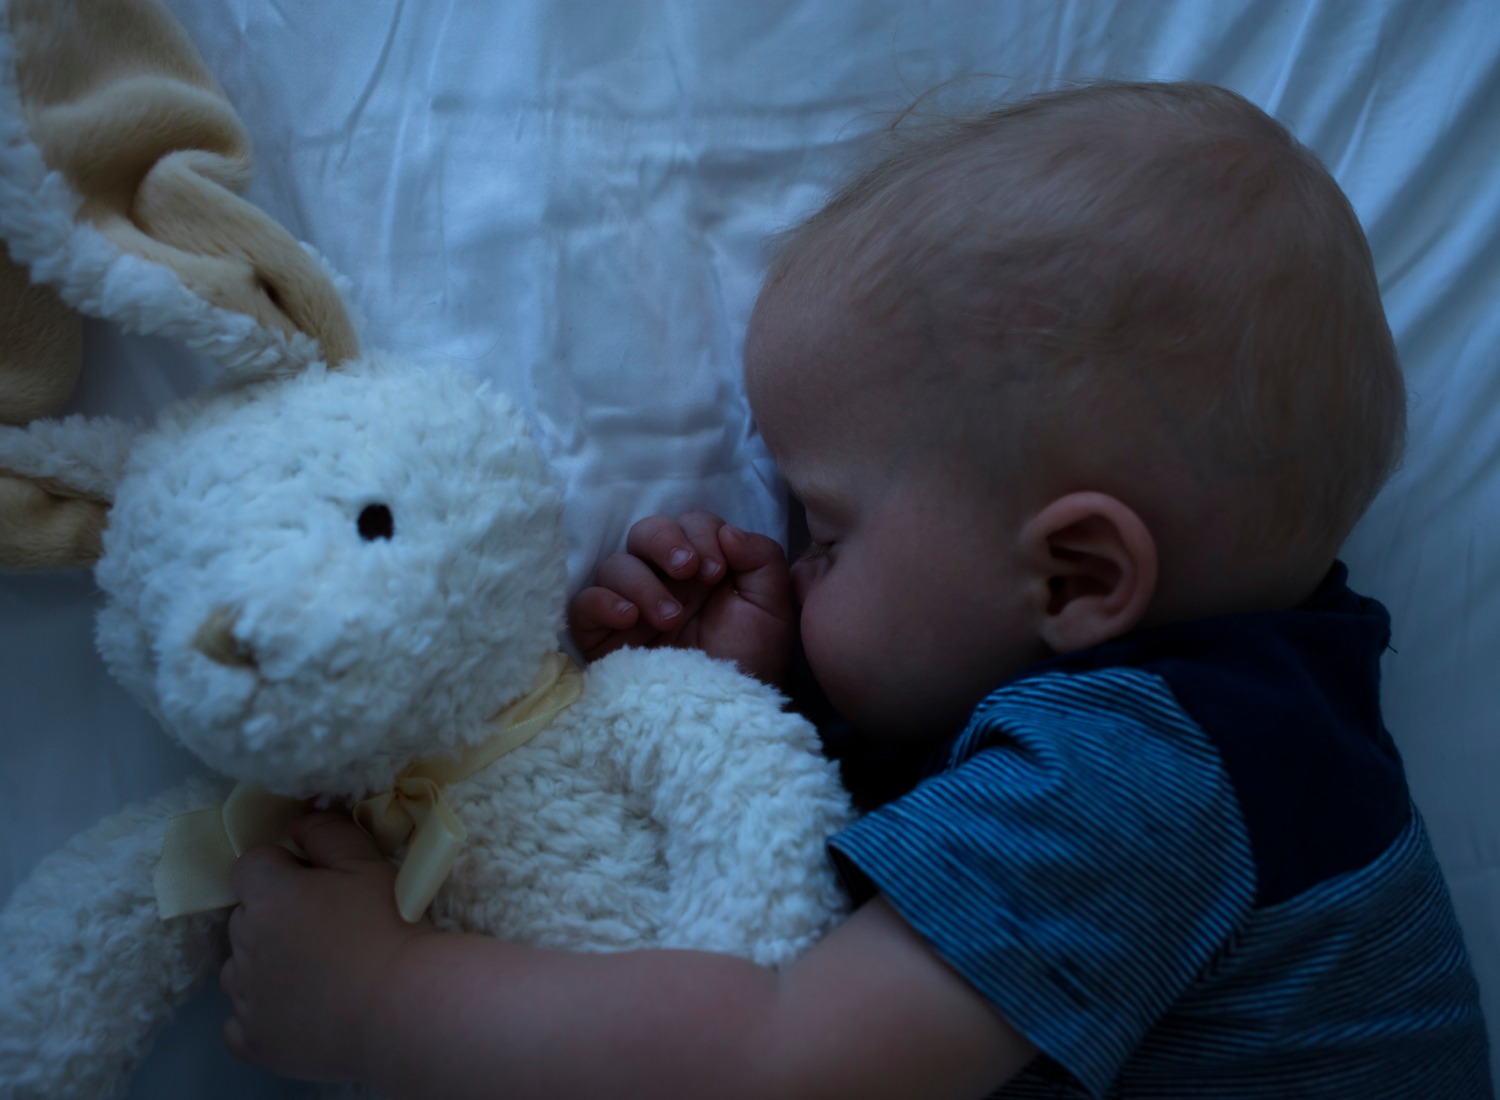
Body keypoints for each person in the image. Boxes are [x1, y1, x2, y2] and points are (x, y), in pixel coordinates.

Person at [221, 81, 1491, 1098]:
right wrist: (771, 703)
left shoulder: (1140, 781)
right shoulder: (1229, 728)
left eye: (827, 528)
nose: (791, 551)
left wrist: (379, 1001)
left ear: (1079, 572)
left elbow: (784, 1056)